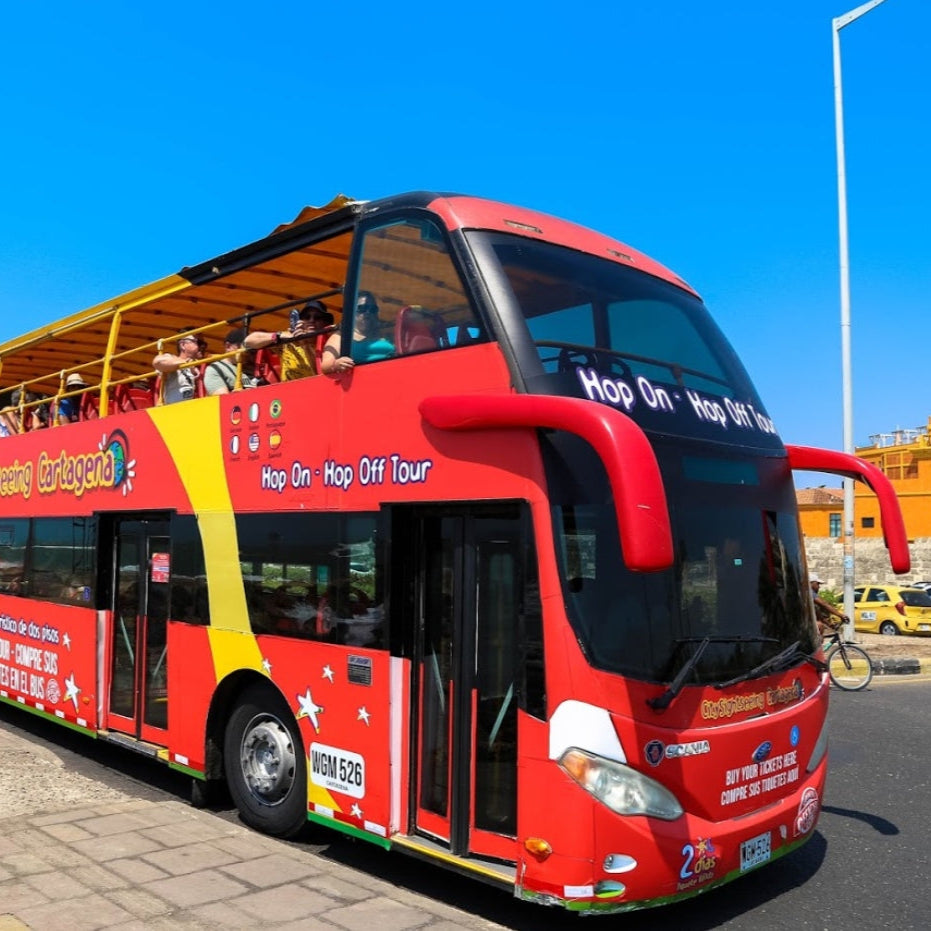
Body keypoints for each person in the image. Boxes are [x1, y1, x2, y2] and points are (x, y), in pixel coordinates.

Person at [244, 300, 334, 379]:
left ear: (325, 322)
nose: (311, 320)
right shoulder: (287, 339)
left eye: (317, 317)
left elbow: (319, 373)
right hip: (288, 391)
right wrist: (279, 336)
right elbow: (248, 341)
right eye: (307, 317)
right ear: (300, 321)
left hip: (317, 389)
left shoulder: (330, 343)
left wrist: (305, 342)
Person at [321, 291, 394, 375]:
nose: (367, 313)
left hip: (391, 374)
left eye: (373, 309)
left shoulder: (385, 333)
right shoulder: (341, 336)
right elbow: (325, 366)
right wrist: (336, 364)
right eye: (362, 308)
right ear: (352, 312)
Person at [203, 328, 261, 395]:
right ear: (228, 346)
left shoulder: (247, 369)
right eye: (242, 346)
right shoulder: (216, 368)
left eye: (249, 347)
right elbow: (222, 399)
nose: (246, 351)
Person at [153, 333, 206, 403]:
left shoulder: (203, 365)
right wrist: (185, 363)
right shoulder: (173, 360)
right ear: (183, 345)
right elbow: (157, 362)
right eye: (198, 342)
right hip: (175, 408)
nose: (202, 346)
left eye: (204, 344)